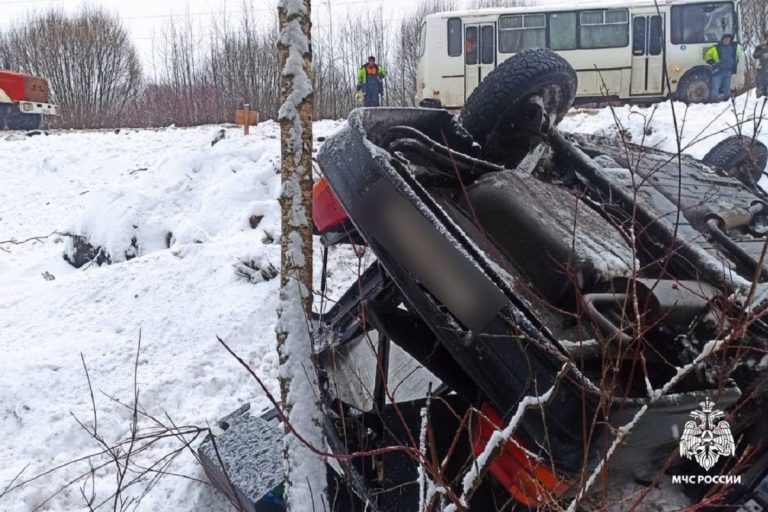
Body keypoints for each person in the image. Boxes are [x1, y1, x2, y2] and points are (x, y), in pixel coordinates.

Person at [705, 33, 741, 102]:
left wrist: (735, 63)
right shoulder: (716, 47)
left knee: (727, 87)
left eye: (728, 38)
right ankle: (714, 101)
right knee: (715, 87)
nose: (727, 40)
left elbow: (737, 56)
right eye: (725, 38)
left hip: (728, 71)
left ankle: (727, 101)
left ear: (730, 40)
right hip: (718, 71)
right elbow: (707, 57)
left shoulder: (734, 47)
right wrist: (714, 63)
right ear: (722, 39)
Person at [753, 32, 768, 97]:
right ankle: (761, 94)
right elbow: (754, 55)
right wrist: (762, 55)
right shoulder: (760, 46)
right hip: (761, 67)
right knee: (761, 82)